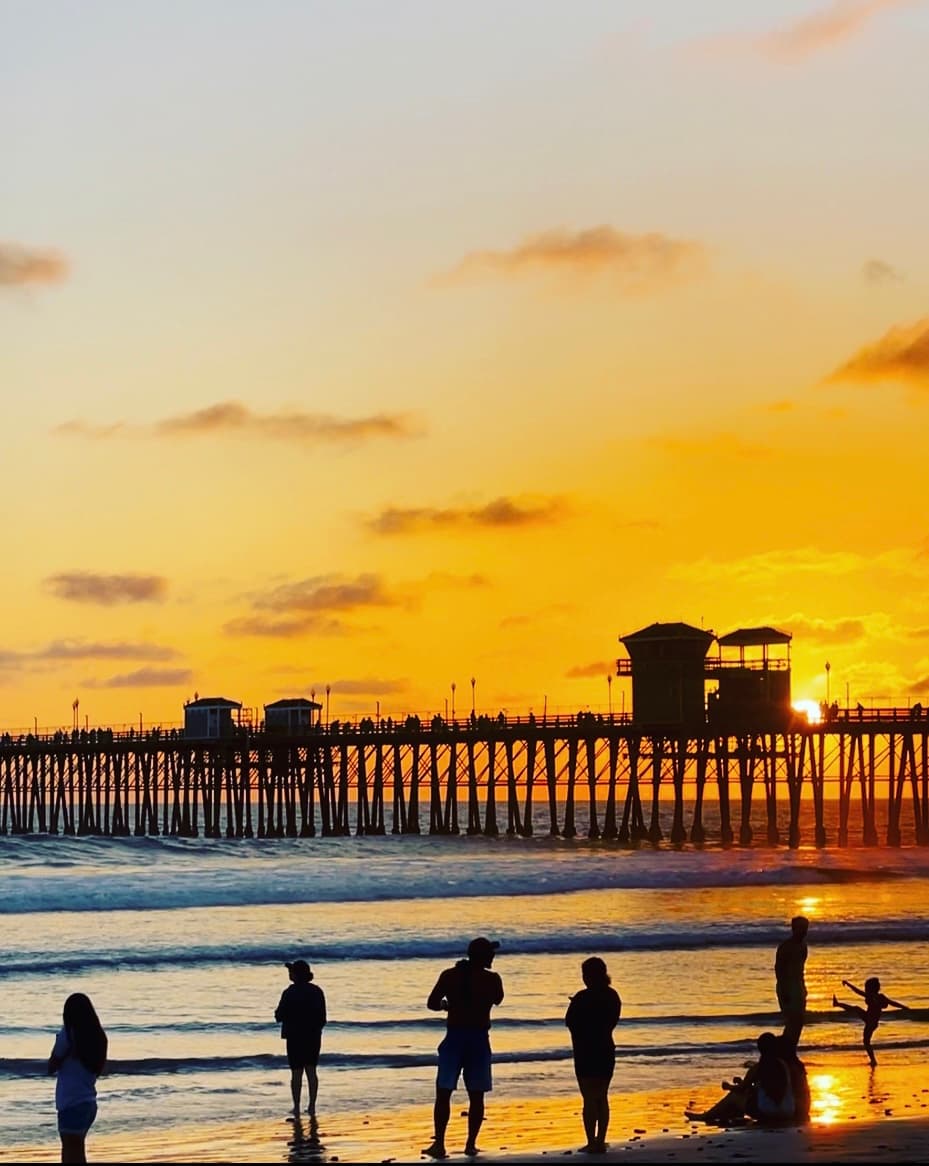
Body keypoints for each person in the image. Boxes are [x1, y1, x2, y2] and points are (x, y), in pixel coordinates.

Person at [424, 937, 504, 1159]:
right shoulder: (492, 979)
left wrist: (446, 1005)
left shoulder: (450, 975)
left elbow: (432, 1002)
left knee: (443, 1092)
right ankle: (470, 1144)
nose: (493, 956)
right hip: (478, 1039)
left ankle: (439, 1144)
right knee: (476, 1095)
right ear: (484, 956)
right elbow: (498, 999)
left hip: (455, 1037)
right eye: (490, 953)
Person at [565, 957, 622, 1154]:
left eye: (585, 974)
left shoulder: (582, 997)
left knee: (589, 1098)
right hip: (606, 1048)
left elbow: (570, 1023)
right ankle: (600, 1140)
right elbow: (612, 1021)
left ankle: (592, 1141)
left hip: (585, 1052)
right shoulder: (612, 996)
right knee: (602, 1097)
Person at [685, 1032, 796, 1127]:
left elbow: (741, 1089)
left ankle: (705, 1116)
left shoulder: (758, 1068)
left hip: (768, 1112)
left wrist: (728, 1086)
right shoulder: (783, 1065)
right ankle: (727, 1115)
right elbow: (765, 1089)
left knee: (734, 1096)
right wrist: (743, 1083)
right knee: (745, 1095)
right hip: (787, 1111)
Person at [48, 993, 108, 1164]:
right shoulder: (98, 1037)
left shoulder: (67, 1035)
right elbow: (97, 1068)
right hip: (88, 1102)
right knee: (77, 1153)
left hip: (70, 1103)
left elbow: (51, 1066)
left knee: (69, 1155)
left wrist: (64, 1053)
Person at [275, 959, 327, 1119]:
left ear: (296, 975)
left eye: (291, 972)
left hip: (294, 1037)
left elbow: (279, 1016)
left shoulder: (289, 993)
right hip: (313, 1036)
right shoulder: (317, 991)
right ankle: (311, 1105)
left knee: (296, 1073)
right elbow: (322, 1018)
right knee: (311, 1071)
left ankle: (296, 1106)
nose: (289, 974)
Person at [833, 976, 907, 1067]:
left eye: (867, 988)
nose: (865, 989)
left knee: (866, 1041)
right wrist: (848, 984)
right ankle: (837, 1004)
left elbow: (892, 1003)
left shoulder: (876, 996)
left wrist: (904, 1007)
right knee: (856, 1010)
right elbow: (858, 992)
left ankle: (873, 1061)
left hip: (871, 1021)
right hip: (869, 1019)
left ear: (871, 988)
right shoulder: (877, 996)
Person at [775, 916, 809, 1049]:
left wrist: (803, 988)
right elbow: (779, 970)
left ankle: (791, 1048)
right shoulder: (785, 947)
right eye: (801, 928)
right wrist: (784, 991)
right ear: (794, 929)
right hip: (787, 986)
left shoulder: (803, 946)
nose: (804, 932)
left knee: (799, 1021)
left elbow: (801, 969)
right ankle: (785, 1048)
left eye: (805, 928)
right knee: (792, 1021)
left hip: (798, 986)